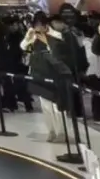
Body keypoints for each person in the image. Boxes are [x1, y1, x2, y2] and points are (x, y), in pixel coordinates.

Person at [23, 11, 71, 142]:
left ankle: (62, 132)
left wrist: (47, 40)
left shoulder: (56, 35)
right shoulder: (33, 35)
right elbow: (23, 47)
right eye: (36, 25)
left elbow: (59, 53)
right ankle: (51, 131)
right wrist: (28, 38)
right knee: (45, 106)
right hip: (39, 72)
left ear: (45, 25)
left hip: (54, 73)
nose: (38, 28)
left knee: (57, 106)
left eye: (40, 25)